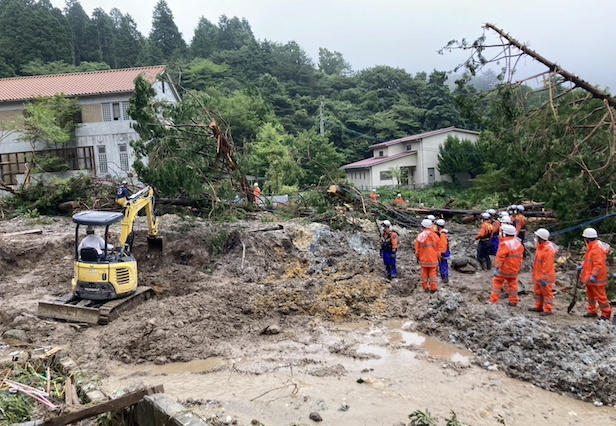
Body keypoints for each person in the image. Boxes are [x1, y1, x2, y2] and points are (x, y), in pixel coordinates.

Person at [578, 227, 612, 321]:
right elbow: (589, 261)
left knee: (601, 297)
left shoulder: (597, 249)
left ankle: (606, 314)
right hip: (590, 277)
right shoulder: (592, 247)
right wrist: (583, 265)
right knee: (591, 296)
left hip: (597, 278)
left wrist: (593, 275)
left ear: (587, 239)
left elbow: (598, 264)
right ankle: (592, 311)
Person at [491, 224, 524, 306]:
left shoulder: (505, 244)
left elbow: (500, 258)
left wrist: (497, 268)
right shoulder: (518, 243)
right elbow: (520, 258)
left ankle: (494, 301)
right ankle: (513, 301)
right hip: (514, 270)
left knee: (497, 284)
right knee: (513, 285)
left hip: (504, 270)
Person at [529, 228, 558, 316]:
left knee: (547, 294)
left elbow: (547, 266)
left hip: (545, 277)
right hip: (539, 275)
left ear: (540, 238)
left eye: (537, 237)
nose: (536, 238)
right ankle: (539, 307)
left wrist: (545, 278)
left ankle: (548, 309)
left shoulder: (548, 250)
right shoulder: (541, 247)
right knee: (538, 293)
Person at [415, 219, 440, 293]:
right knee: (433, 274)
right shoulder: (435, 236)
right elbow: (438, 249)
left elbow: (417, 249)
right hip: (433, 259)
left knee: (424, 273)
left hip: (423, 259)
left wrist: (418, 257)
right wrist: (438, 259)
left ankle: (425, 287)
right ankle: (433, 288)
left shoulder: (420, 236)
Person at [435, 219, 450, 284]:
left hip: (443, 253)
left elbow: (443, 245)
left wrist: (441, 253)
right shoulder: (442, 233)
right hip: (443, 252)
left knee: (443, 265)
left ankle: (445, 278)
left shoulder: (442, 235)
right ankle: (444, 277)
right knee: (443, 265)